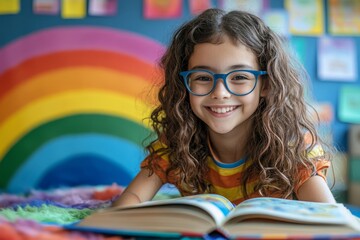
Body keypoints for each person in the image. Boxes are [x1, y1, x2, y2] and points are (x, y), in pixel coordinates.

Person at [114, 8, 336, 207]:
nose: (220, 92)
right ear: (184, 85)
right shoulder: (176, 143)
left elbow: (331, 219)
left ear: (266, 85)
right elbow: (128, 202)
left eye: (239, 76)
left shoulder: (295, 146)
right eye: (202, 77)